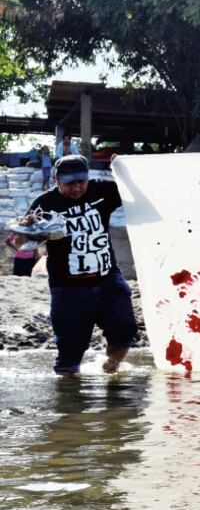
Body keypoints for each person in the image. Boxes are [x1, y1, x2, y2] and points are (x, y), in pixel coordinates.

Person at [17, 155, 138, 375]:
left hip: (107, 278)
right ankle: (69, 399)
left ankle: (111, 369)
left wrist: (123, 167)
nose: (77, 187)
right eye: (70, 183)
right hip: (68, 287)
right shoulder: (45, 204)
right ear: (57, 180)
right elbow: (17, 244)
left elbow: (140, 188)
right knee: (69, 354)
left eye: (81, 181)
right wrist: (26, 227)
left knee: (125, 331)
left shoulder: (102, 191)